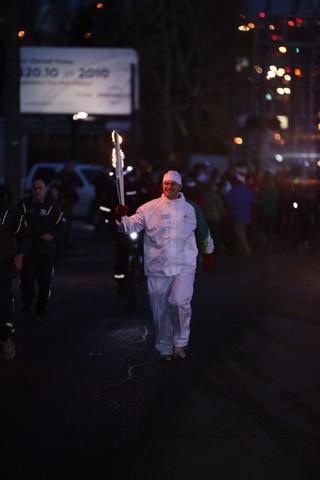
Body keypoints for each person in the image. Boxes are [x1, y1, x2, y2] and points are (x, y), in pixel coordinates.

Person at [115, 170, 214, 361]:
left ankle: (180, 343)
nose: (169, 187)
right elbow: (129, 227)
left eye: (173, 184)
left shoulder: (190, 208)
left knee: (178, 302)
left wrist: (208, 252)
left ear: (180, 187)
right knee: (160, 309)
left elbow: (203, 230)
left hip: (184, 264)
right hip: (157, 266)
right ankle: (165, 347)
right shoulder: (149, 208)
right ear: (162, 186)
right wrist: (121, 217)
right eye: (166, 184)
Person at [18, 176, 67, 318]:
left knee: (45, 282)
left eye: (40, 188)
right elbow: (15, 225)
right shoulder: (24, 206)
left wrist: (52, 236)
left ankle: (41, 306)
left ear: (45, 190)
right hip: (28, 252)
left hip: (46, 252)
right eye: (35, 188)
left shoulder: (52, 207)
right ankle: (27, 304)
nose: (37, 191)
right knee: (27, 281)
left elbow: (62, 226)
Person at [0, 185, 30, 360]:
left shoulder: (8, 209)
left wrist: (20, 254)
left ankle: (5, 338)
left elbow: (25, 234)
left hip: (3, 266)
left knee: (3, 302)